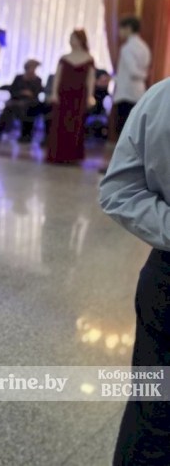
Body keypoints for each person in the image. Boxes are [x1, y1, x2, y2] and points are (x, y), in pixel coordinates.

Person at [99, 77, 170, 466]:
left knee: (151, 416)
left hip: (164, 277)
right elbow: (119, 191)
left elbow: (120, 190)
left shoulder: (160, 95)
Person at [46, 29, 95, 164]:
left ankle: (72, 155)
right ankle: (58, 154)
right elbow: (57, 77)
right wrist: (54, 93)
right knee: (60, 124)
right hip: (64, 94)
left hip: (79, 96)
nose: (71, 41)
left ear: (80, 40)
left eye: (73, 38)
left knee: (76, 124)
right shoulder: (64, 58)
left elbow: (90, 79)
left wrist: (90, 96)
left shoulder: (89, 59)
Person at [112, 16, 151, 137]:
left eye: (121, 28)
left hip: (126, 94)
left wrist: (143, 75)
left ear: (128, 28)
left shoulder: (127, 48)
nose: (119, 32)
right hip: (139, 92)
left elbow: (133, 72)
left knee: (123, 131)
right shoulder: (144, 47)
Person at [0, 59, 44, 143]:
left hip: (30, 103)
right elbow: (12, 91)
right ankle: (2, 132)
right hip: (17, 101)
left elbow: (36, 93)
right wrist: (22, 93)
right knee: (8, 109)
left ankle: (26, 135)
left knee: (30, 109)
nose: (33, 70)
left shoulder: (38, 80)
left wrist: (29, 94)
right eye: (32, 68)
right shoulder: (18, 78)